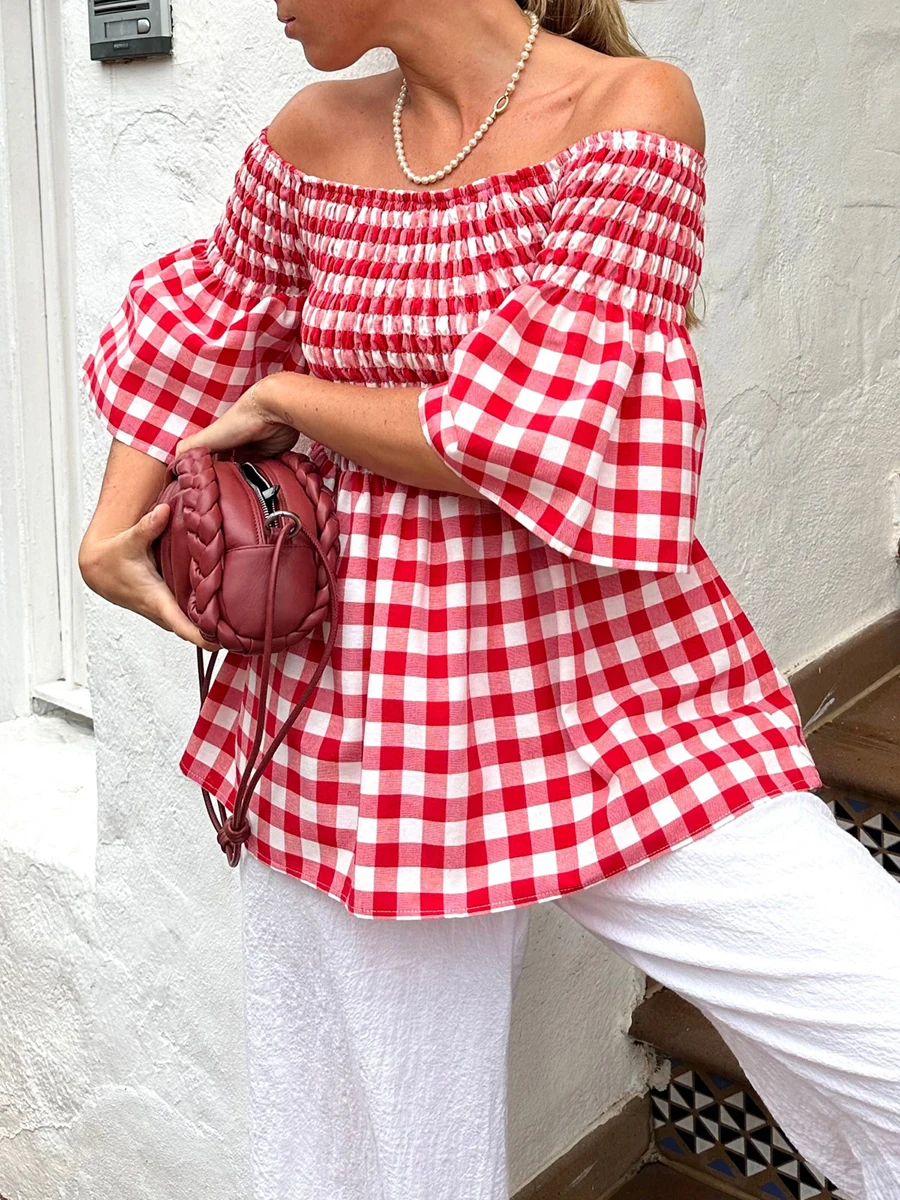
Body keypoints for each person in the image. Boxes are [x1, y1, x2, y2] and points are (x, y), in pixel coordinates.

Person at [77, 1, 900, 1197]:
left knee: (873, 1012)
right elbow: (201, 334)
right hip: (361, 704)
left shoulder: (628, 110)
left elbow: (526, 427)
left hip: (611, 679)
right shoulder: (311, 135)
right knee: (373, 1153)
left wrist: (296, 398)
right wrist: (113, 531)